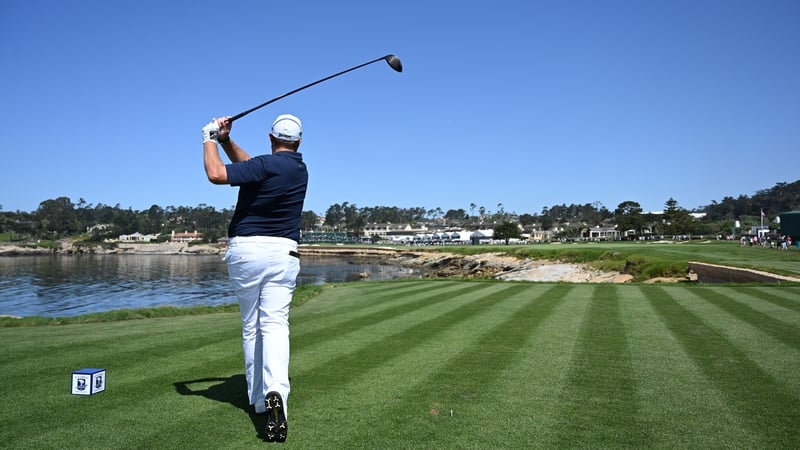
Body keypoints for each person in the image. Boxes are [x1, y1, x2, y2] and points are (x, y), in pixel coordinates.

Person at [202, 113, 308, 443]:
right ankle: (277, 390)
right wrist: (226, 141)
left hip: (247, 251)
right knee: (275, 324)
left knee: (252, 325)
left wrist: (207, 137)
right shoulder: (298, 169)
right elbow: (250, 165)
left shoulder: (264, 165)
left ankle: (260, 401)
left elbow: (216, 174)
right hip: (283, 254)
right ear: (299, 142)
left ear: (270, 138)